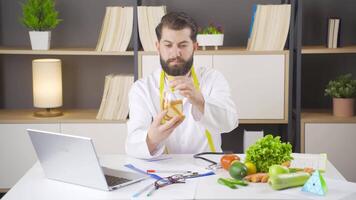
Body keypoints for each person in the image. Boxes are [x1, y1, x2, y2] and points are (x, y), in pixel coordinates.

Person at [125, 12, 238, 158]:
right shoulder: (142, 88)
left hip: (208, 168)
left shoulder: (212, 78)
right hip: (163, 170)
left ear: (195, 47)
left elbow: (229, 123)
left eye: (183, 45)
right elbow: (132, 144)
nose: (175, 53)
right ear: (158, 47)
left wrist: (200, 100)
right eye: (168, 45)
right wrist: (151, 138)